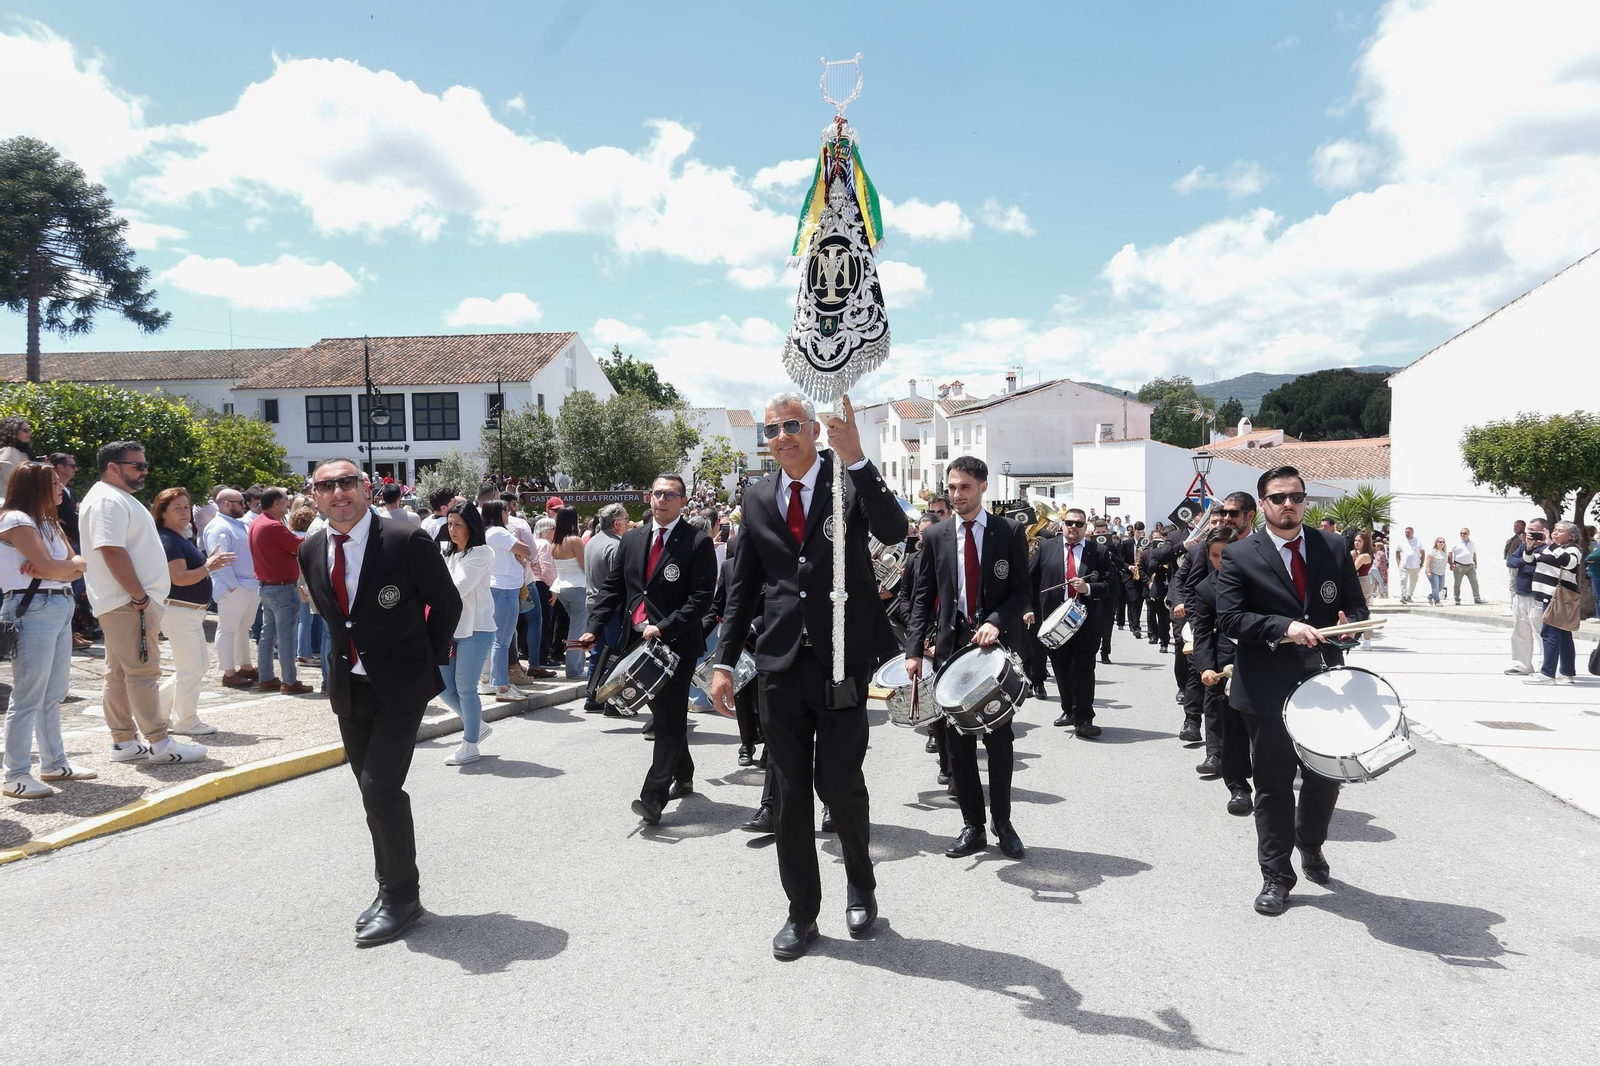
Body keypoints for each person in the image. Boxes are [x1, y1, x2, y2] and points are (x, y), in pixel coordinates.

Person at [708, 391, 904, 960]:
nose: (783, 435)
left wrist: (861, 459)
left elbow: (893, 531)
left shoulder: (848, 484)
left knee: (839, 785)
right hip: (779, 666)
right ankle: (801, 912)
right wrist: (724, 663)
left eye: (793, 425)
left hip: (842, 661)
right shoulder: (757, 495)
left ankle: (861, 881)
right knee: (791, 793)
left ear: (815, 430)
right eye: (773, 429)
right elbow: (743, 587)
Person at [300, 458, 461, 946]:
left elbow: (447, 604)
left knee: (380, 789)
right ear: (315, 496)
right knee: (370, 793)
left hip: (401, 687)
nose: (338, 493)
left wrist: (421, 660)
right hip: (350, 686)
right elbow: (334, 618)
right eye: (327, 486)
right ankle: (388, 886)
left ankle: (402, 899)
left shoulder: (405, 539)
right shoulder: (310, 547)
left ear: (367, 490)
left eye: (347, 482)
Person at [1216, 465, 1368, 916]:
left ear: (1305, 501)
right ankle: (1276, 875)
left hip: (1323, 681)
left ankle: (1311, 842)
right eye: (1279, 497)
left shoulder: (1334, 546)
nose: (1289, 504)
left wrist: (1349, 628)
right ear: (1262, 503)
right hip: (1265, 687)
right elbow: (1231, 620)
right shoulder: (1241, 555)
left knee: (1325, 777)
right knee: (1273, 785)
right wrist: (1285, 627)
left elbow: (1353, 604)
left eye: (1297, 497)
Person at [903, 455, 1031, 859]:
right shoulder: (936, 535)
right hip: (950, 649)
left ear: (983, 487)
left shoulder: (1008, 531)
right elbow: (923, 596)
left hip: (993, 650)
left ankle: (1003, 823)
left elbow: (1022, 593)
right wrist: (912, 651)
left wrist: (995, 621)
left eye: (964, 487)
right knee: (957, 746)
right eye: (952, 487)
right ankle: (972, 825)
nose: (956, 495)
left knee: (999, 739)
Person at [579, 474, 718, 824]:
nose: (662, 500)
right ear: (649, 498)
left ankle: (652, 798)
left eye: (670, 495)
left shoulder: (697, 542)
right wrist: (593, 629)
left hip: (676, 645)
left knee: (667, 722)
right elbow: (614, 588)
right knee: (666, 717)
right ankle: (683, 774)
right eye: (657, 493)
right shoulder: (633, 539)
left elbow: (701, 600)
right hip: (635, 642)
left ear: (683, 501)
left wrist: (665, 626)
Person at [80, 442, 208, 765]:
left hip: (125, 601)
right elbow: (110, 549)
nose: (145, 470)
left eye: (144, 464)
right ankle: (161, 743)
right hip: (129, 602)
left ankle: (124, 742)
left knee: (121, 674)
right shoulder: (108, 499)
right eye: (137, 465)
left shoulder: (112, 498)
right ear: (113, 467)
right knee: (142, 672)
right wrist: (139, 595)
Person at [1, 462, 92, 797]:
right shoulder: (15, 519)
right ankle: (16, 774)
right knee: (27, 696)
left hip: (57, 603)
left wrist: (58, 569)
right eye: (54, 483)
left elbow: (77, 564)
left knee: (53, 693)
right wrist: (60, 568)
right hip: (33, 607)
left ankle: (54, 762)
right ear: (35, 487)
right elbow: (64, 565)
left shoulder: (49, 523)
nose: (61, 488)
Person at [153, 488, 233, 737]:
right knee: (191, 668)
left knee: (195, 666)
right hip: (180, 611)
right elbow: (179, 578)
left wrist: (209, 563)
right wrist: (209, 566)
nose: (184, 512)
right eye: (177, 508)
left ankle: (156, 712)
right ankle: (185, 720)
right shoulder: (169, 540)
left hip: (188, 612)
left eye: (186, 507)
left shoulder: (178, 537)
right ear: (163, 512)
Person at [1189, 525, 1252, 816]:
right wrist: (1205, 666)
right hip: (1223, 665)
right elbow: (1201, 632)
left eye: (1225, 554)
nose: (1220, 561)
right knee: (1228, 725)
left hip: (1258, 659)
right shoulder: (1204, 588)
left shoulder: (1257, 580)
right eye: (1214, 556)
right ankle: (1238, 787)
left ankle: (1268, 780)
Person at [1032, 506, 1110, 737]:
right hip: (1055, 622)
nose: (1073, 527)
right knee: (1061, 669)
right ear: (1062, 525)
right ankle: (1069, 710)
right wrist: (1028, 609)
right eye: (1069, 523)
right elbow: (1030, 581)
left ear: (1086, 527)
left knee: (1084, 669)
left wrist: (1088, 588)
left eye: (1079, 523)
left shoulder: (1099, 551)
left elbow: (1110, 586)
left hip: (1086, 621)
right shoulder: (1046, 548)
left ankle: (1084, 718)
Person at [436, 503, 498, 764]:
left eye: (458, 524)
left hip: (476, 629)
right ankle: (477, 726)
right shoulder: (447, 553)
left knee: (465, 689)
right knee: (443, 687)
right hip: (450, 629)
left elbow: (457, 588)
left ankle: (470, 744)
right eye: (449, 524)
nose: (452, 529)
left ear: (472, 526)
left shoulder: (482, 553)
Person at [249, 488, 310, 694]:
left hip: (267, 586)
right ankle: (289, 681)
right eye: (285, 501)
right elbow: (300, 546)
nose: (288, 504)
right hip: (282, 587)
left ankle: (266, 677)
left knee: (268, 634)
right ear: (276, 503)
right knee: (286, 636)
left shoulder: (258, 522)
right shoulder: (273, 526)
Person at [203, 489, 260, 688]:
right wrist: (233, 586)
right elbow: (220, 559)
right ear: (227, 504)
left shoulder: (237, 523)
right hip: (235, 586)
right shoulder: (219, 526)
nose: (244, 505)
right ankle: (229, 672)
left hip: (247, 584)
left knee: (243, 628)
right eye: (240, 502)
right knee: (227, 629)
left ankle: (245, 665)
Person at [481, 501, 535, 703]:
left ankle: (498, 682)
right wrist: (520, 556)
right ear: (500, 513)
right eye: (506, 511)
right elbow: (527, 551)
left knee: (499, 640)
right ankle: (502, 687)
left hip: (502, 588)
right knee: (502, 641)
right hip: (504, 589)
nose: (508, 514)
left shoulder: (489, 532)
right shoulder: (498, 532)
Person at [1523, 521, 1583, 685]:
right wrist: (1529, 547)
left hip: (1556, 597)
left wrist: (1550, 543)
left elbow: (1569, 563)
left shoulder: (1572, 549)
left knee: (1549, 634)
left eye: (1560, 531)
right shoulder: (1550, 548)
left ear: (1571, 535)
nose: (1555, 533)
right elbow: (1530, 560)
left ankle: (1547, 674)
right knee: (1563, 635)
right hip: (1549, 596)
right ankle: (1566, 673)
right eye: (1554, 530)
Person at [581, 503, 628, 711]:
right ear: (617, 523)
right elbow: (617, 582)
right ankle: (611, 701)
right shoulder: (615, 545)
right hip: (610, 609)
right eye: (626, 520)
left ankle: (593, 698)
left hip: (593, 604)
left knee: (599, 653)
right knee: (614, 655)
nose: (628, 524)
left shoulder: (592, 541)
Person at [550, 505, 589, 681]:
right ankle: (574, 669)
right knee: (577, 628)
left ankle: (576, 667)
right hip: (577, 586)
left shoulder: (555, 542)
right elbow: (585, 566)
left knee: (574, 627)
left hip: (562, 587)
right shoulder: (574, 540)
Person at [1506, 519, 1548, 675]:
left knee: (1541, 633)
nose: (1530, 533)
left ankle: (1546, 667)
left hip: (1537, 597)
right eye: (1529, 530)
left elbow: (1535, 568)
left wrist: (1525, 562)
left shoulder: (1548, 549)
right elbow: (1511, 561)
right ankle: (1521, 665)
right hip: (1521, 594)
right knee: (1520, 633)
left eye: (1534, 530)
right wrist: (1525, 559)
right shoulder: (1525, 546)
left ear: (1544, 531)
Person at [0, 416, 33, 500]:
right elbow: (13, 479)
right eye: (25, 430)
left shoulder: (21, 453)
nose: (29, 433)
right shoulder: (9, 451)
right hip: (7, 503)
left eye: (29, 429)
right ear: (14, 431)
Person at [1451, 527, 1484, 605]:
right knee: (1457, 584)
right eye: (1461, 533)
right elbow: (1450, 553)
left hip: (1470, 566)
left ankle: (1477, 598)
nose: (1463, 535)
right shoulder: (1456, 543)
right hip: (1459, 566)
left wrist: (1475, 563)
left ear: (1468, 534)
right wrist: (1451, 564)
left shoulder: (1472, 544)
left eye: (1465, 533)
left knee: (1474, 582)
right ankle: (1457, 599)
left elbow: (1474, 553)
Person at [1396, 527, 1423, 603]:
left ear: (1412, 533)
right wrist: (1399, 562)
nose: (1407, 534)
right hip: (1404, 565)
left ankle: (1409, 596)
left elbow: (1422, 552)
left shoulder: (1418, 542)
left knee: (1413, 582)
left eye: (1408, 532)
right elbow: (1397, 552)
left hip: (1415, 566)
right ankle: (1403, 596)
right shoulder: (1402, 542)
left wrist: (1421, 563)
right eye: (1406, 532)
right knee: (1403, 579)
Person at [1425, 536, 1449, 606]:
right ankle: (1437, 602)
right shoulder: (1432, 552)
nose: (1442, 543)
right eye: (1440, 542)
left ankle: (1430, 596)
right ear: (1436, 543)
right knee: (1435, 587)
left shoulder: (1444, 552)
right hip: (1433, 571)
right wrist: (1429, 571)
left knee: (1441, 587)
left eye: (1443, 542)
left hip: (1441, 572)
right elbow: (1428, 562)